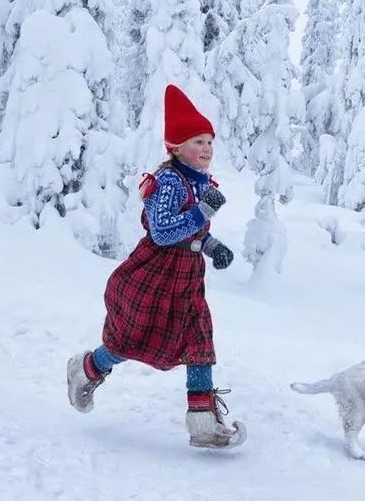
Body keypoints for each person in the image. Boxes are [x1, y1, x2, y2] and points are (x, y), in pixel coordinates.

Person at [67, 84, 246, 449]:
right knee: (133, 341)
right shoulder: (168, 182)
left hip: (187, 277)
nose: (207, 149)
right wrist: (203, 212)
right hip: (156, 273)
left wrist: (213, 247)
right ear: (176, 147)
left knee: (199, 338)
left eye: (210, 142)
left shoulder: (200, 184)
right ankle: (86, 369)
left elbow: (193, 231)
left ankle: (202, 423)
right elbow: (164, 232)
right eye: (198, 142)